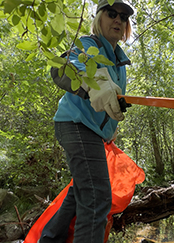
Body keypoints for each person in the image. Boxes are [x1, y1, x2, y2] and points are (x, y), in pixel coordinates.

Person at [39, 0, 134, 242]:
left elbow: (109, 102)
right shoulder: (88, 44)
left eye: (123, 17)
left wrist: (111, 129)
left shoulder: (119, 62)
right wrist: (92, 82)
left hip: (94, 133)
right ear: (99, 18)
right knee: (97, 197)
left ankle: (49, 239)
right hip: (76, 125)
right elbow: (63, 67)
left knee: (82, 189)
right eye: (112, 13)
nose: (118, 20)